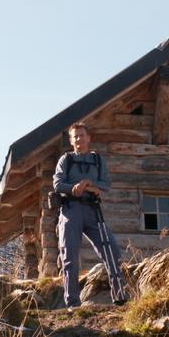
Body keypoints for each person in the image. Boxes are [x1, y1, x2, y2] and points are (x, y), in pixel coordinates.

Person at [53, 122, 128, 309]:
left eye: (82, 135)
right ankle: (73, 304)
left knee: (111, 250)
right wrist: (74, 188)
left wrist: (88, 183)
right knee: (69, 255)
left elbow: (106, 184)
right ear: (71, 141)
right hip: (71, 210)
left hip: (93, 210)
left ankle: (120, 296)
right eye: (75, 136)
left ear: (89, 138)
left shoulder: (98, 160)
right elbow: (57, 184)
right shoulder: (66, 160)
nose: (79, 139)